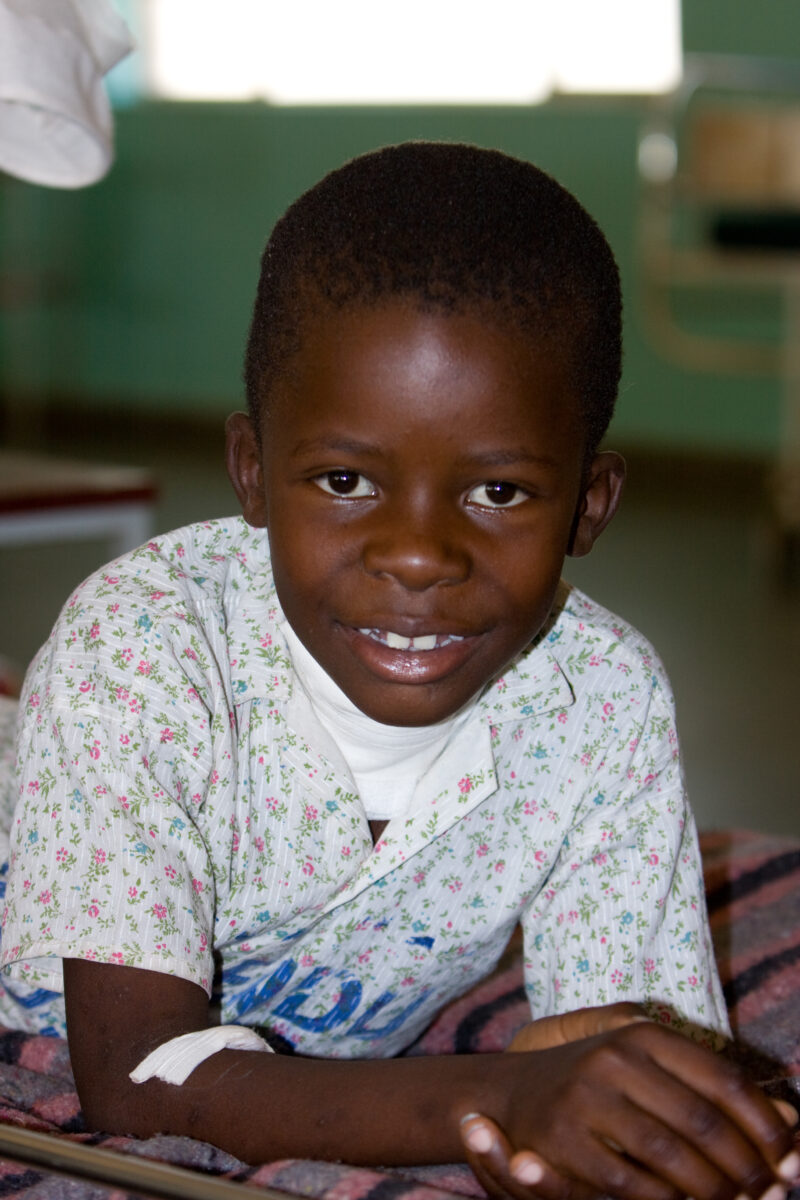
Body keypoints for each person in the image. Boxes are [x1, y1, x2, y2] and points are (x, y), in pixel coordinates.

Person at [2, 142, 797, 1200]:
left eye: (499, 494)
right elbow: (140, 1075)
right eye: (342, 479)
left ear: (588, 507)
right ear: (251, 472)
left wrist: (685, 1125)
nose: (418, 555)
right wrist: (498, 1104)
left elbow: (608, 1040)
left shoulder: (599, 699)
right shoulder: (145, 649)